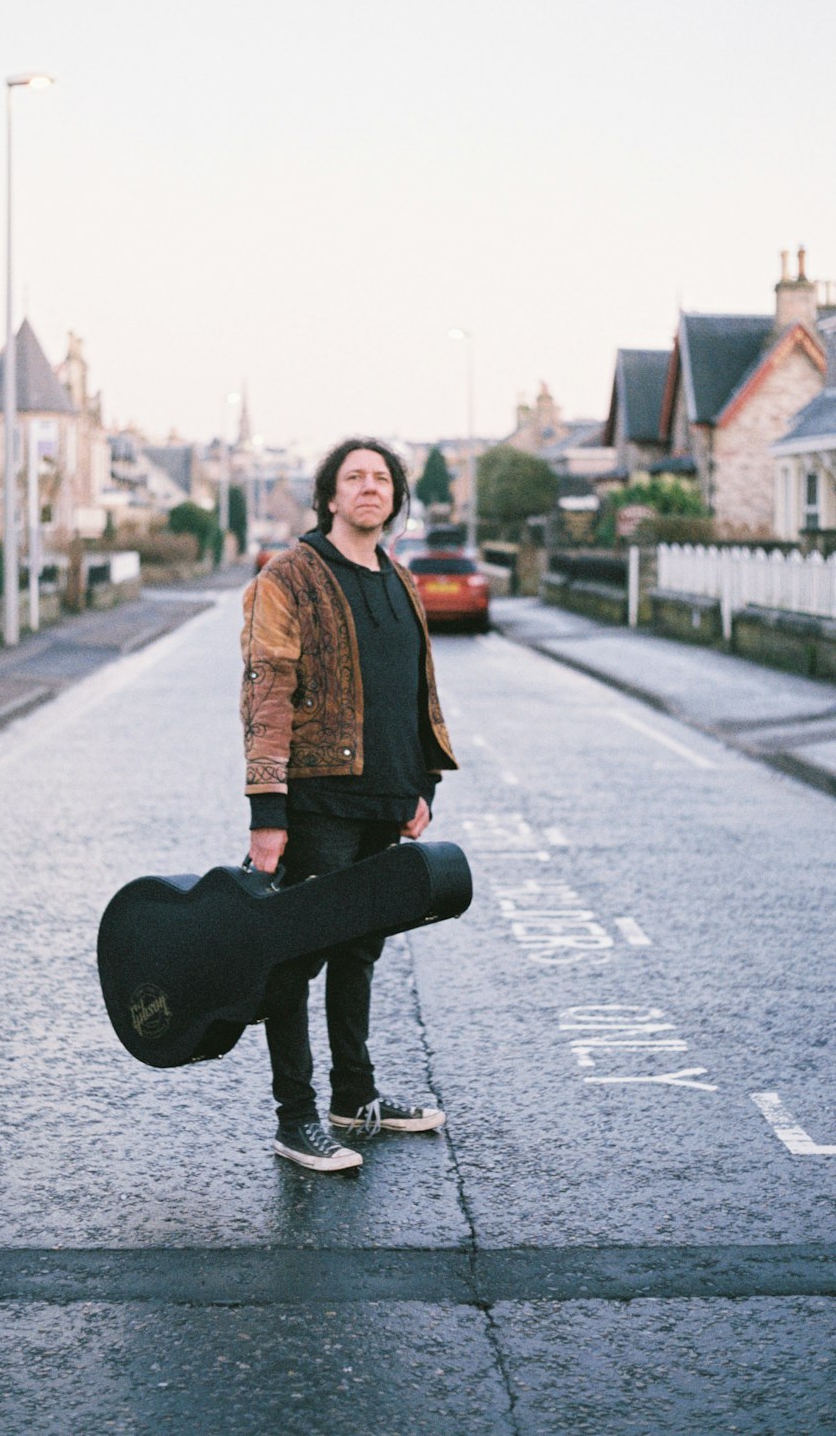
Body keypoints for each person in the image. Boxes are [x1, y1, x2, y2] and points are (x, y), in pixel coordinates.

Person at [240, 439, 458, 1171]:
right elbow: (265, 692)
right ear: (330, 496)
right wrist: (267, 809)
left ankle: (353, 1096)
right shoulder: (290, 577)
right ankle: (295, 1116)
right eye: (354, 477)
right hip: (315, 800)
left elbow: (412, 692)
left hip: (383, 796)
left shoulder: (399, 577)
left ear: (396, 496)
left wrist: (420, 784)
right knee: (294, 956)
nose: (371, 487)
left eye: (382, 478)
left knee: (360, 949)